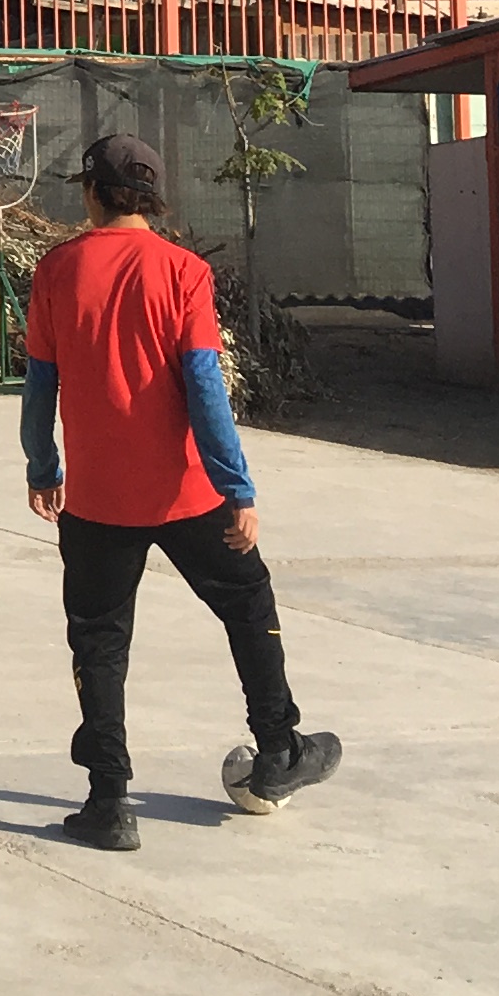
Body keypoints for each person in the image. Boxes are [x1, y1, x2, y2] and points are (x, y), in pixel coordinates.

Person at [25, 132, 345, 852]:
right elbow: (204, 386)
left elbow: (41, 381)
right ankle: (278, 748)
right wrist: (238, 488)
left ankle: (109, 800)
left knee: (100, 639)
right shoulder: (183, 271)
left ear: (93, 193)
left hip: (97, 499)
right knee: (246, 601)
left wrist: (43, 466)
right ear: (153, 198)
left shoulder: (57, 269)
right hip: (187, 493)